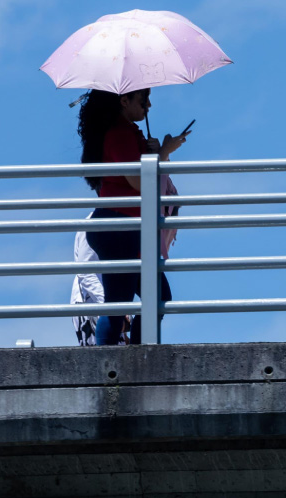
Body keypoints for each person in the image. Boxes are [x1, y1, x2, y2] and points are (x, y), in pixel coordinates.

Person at [76, 88, 186, 344]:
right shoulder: (119, 133)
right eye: (143, 99)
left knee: (154, 296)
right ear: (124, 101)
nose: (148, 105)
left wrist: (157, 152)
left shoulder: (126, 132)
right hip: (118, 227)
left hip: (126, 227)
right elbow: (139, 181)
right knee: (120, 303)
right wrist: (162, 153)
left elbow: (140, 174)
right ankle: (115, 362)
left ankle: (136, 354)